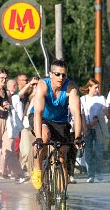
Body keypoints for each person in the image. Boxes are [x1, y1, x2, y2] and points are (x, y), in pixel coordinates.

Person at [30, 59, 83, 195]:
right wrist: (38, 138)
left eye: (63, 75)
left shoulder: (71, 88)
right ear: (50, 74)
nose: (61, 78)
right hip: (41, 118)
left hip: (59, 122)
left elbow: (77, 114)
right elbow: (38, 113)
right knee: (45, 136)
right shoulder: (43, 85)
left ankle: (62, 200)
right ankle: (37, 169)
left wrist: (78, 137)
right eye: (57, 74)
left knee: (62, 158)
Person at [79, 79, 107, 183]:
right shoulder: (83, 99)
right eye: (95, 87)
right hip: (87, 128)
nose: (97, 89)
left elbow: (106, 112)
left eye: (98, 87)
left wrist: (106, 111)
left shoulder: (102, 98)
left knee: (99, 151)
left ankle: (99, 172)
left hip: (98, 128)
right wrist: (85, 126)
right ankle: (90, 174)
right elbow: (81, 114)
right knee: (88, 152)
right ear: (89, 87)